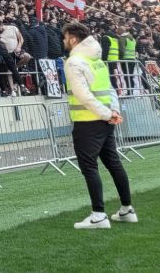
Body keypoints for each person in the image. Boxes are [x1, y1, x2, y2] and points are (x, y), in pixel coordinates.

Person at [62, 22, 134, 228]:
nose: (64, 42)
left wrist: (106, 113)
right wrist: (113, 112)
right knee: (113, 163)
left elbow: (82, 94)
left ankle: (98, 215)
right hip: (105, 120)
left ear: (73, 39)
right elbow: (110, 89)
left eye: (65, 38)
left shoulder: (74, 61)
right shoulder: (97, 61)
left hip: (88, 122)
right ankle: (126, 209)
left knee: (89, 167)